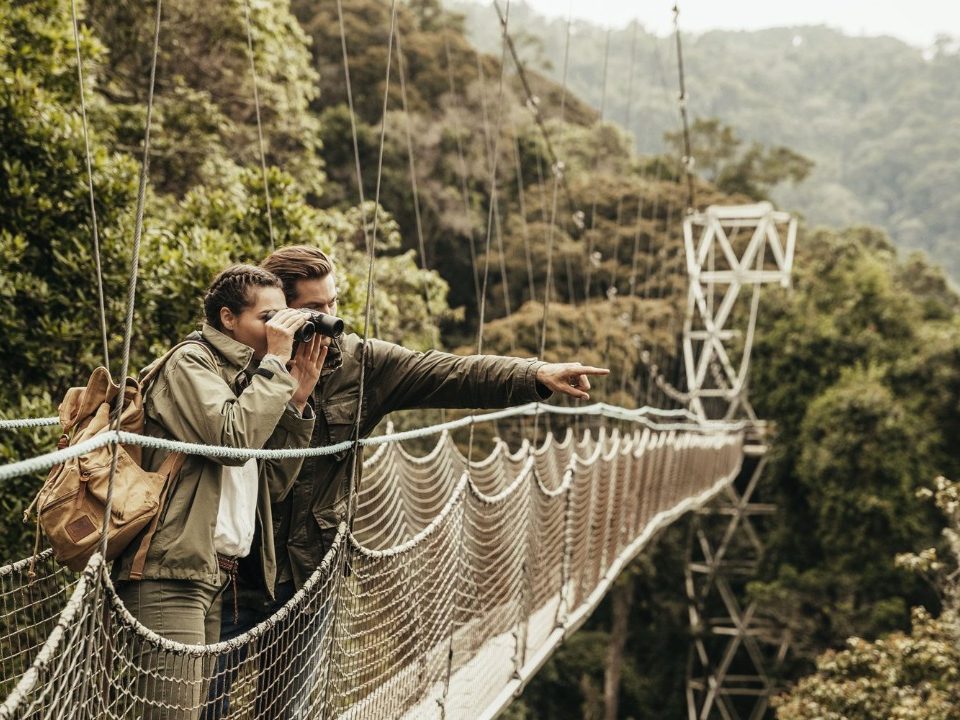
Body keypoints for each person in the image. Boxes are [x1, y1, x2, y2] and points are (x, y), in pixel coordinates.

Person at [216, 245, 608, 718]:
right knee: (204, 706)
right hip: (236, 573)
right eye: (312, 310)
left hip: (310, 571)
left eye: (333, 304)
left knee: (285, 712)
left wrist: (536, 375)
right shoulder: (230, 363)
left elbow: (449, 372)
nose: (328, 319)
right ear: (278, 312)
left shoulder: (361, 365)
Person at [112, 264, 326, 720]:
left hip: (216, 576)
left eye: (283, 318)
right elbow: (230, 441)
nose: (277, 331)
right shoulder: (190, 362)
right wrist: (275, 367)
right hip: (170, 573)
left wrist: (298, 403)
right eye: (266, 319)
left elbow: (270, 482)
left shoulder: (248, 377)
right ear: (228, 318)